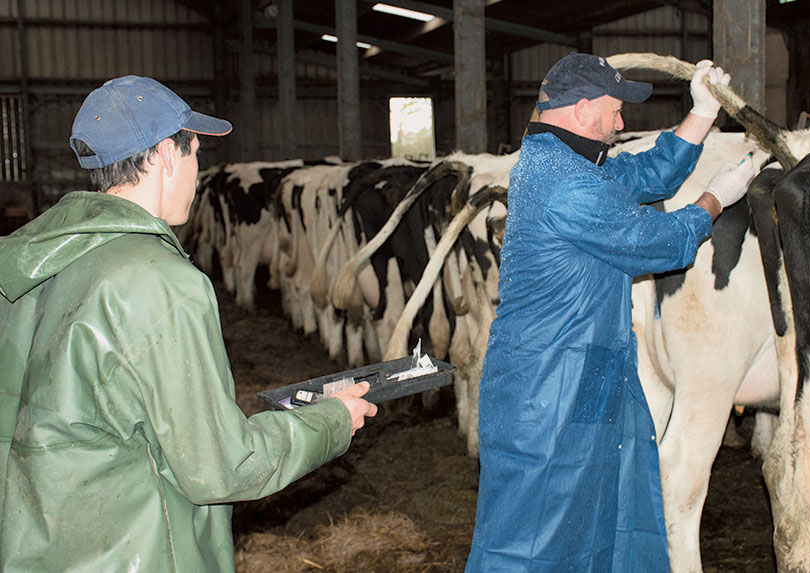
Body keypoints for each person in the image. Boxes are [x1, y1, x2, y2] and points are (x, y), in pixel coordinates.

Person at [0, 75, 378, 571]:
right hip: (138, 548)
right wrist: (330, 421)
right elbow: (222, 467)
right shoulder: (161, 282)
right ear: (162, 155)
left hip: (42, 542)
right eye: (195, 152)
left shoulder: (32, 264)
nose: (198, 172)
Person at [465, 53, 756, 571]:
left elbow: (648, 173)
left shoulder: (572, 164)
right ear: (581, 111)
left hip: (585, 375)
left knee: (602, 522)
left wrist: (703, 113)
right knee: (531, 541)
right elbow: (659, 241)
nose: (621, 123)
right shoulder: (564, 182)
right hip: (545, 392)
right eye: (614, 110)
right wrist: (716, 199)